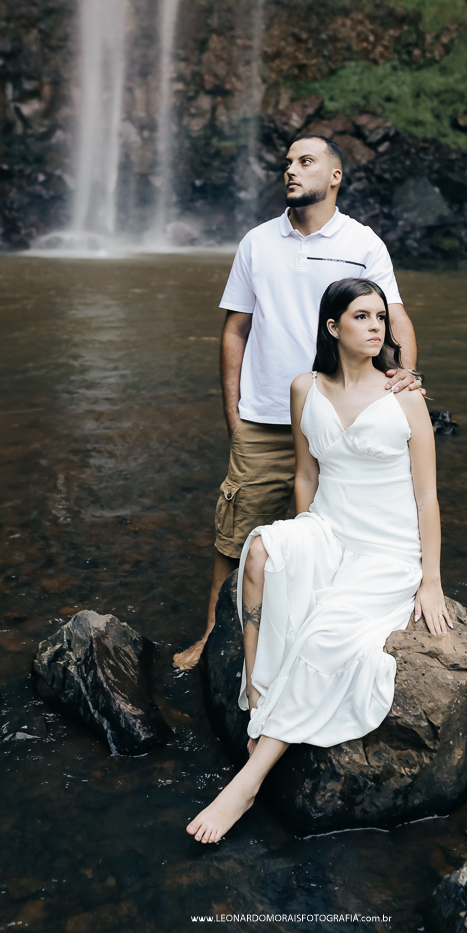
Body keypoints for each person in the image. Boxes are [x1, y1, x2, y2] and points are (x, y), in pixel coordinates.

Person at [187, 277, 450, 843]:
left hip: (386, 547)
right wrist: (305, 533)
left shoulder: (404, 395)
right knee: (259, 550)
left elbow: (426, 495)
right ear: (333, 327)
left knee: (327, 634)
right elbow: (306, 474)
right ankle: (258, 690)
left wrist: (430, 579)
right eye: (362, 316)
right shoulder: (304, 387)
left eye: (381, 316)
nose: (378, 326)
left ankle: (249, 781)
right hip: (329, 528)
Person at [173, 134, 423, 671]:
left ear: (334, 176)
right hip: (264, 418)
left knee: (336, 533)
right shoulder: (257, 243)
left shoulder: (363, 242)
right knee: (235, 534)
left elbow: (393, 315)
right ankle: (213, 637)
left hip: (338, 418)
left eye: (305, 162)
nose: (291, 170)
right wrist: (233, 415)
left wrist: (404, 377)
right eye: (287, 162)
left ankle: (317, 630)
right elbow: (235, 330)